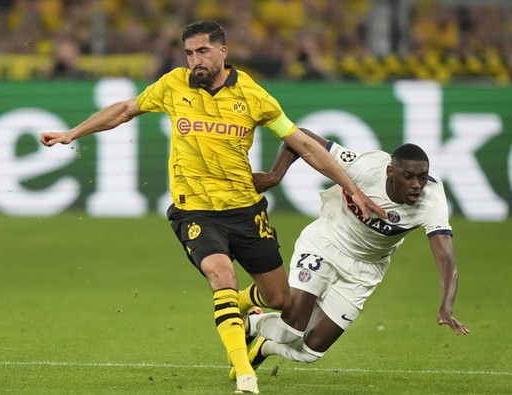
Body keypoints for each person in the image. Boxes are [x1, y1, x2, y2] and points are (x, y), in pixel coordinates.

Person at [39, 20, 385, 394]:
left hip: (245, 211)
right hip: (195, 211)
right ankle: (245, 374)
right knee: (221, 275)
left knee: (280, 299)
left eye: (202, 51)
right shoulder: (172, 85)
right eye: (188, 53)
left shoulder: (254, 97)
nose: (194, 61)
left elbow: (303, 144)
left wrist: (351, 187)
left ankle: (238, 313)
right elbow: (125, 109)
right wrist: (72, 133)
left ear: (223, 51)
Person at [237, 130, 469, 376]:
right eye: (408, 176)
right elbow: (301, 137)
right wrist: (275, 176)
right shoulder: (365, 167)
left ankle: (263, 346)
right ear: (390, 172)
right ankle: (247, 323)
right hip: (325, 243)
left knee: (309, 352)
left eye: (422, 177)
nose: (416, 185)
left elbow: (446, 260)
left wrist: (446, 306)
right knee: (293, 327)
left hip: (364, 271)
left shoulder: (431, 199)